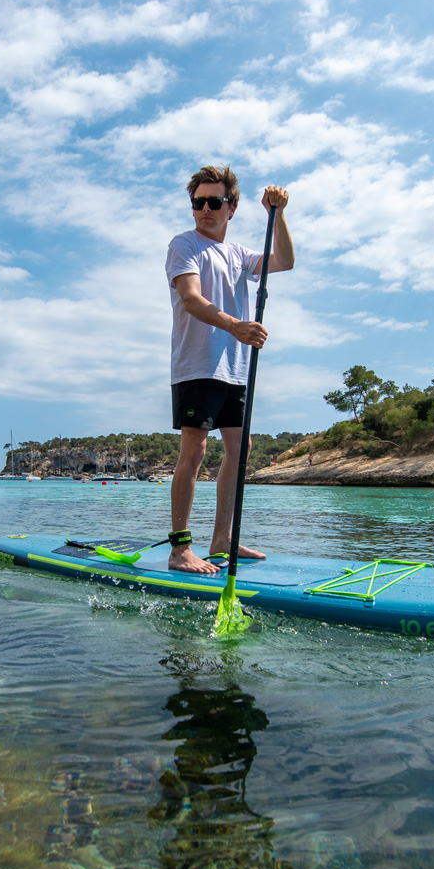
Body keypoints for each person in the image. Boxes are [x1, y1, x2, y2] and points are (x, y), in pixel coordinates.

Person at [165, 165, 294, 573]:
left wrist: (281, 214)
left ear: (231, 207)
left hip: (236, 369)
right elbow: (191, 299)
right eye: (198, 202)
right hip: (197, 364)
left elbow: (285, 261)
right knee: (196, 449)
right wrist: (235, 325)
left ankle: (223, 540)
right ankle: (180, 548)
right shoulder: (183, 245)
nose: (205, 208)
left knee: (242, 450)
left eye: (214, 201)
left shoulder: (238, 254)